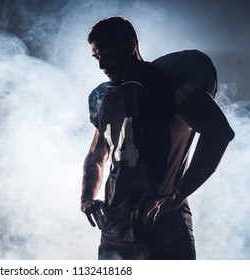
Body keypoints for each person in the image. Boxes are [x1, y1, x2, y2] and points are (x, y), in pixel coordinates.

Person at [80, 16, 235, 260]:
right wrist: (87, 197)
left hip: (159, 220)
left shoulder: (166, 81)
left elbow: (219, 132)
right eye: (97, 58)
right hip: (114, 226)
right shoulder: (105, 98)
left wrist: (178, 195)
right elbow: (96, 155)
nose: (102, 66)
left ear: (130, 45)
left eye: (108, 55)